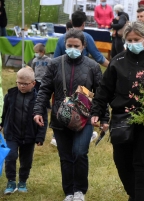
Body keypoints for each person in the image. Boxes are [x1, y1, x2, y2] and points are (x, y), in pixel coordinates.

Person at [90, 21, 144, 201]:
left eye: (137, 39)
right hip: (122, 119)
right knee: (122, 162)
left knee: (143, 164)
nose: (133, 43)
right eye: (129, 40)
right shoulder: (117, 61)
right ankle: (135, 195)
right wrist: (97, 110)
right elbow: (104, 89)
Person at [33, 29, 108, 201]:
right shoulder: (54, 64)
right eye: (69, 45)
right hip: (61, 117)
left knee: (80, 152)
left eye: (76, 46)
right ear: (64, 45)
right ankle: (69, 191)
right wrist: (38, 110)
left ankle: (80, 190)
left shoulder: (92, 66)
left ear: (83, 46)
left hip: (85, 117)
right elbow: (44, 90)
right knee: (65, 156)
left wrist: (104, 118)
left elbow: (101, 94)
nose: (72, 48)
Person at [0, 67, 47, 194]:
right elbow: (5, 112)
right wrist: (1, 124)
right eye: (19, 83)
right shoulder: (10, 95)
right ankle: (11, 181)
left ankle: (22, 181)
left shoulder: (38, 99)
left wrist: (40, 137)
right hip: (12, 134)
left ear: (33, 83)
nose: (22, 86)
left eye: (25, 84)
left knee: (26, 160)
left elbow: (44, 120)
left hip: (29, 136)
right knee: (10, 156)